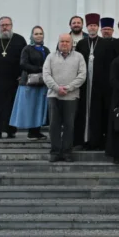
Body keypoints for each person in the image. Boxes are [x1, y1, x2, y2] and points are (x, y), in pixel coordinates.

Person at [43, 33, 87, 162]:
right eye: (62, 41)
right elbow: (46, 75)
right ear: (58, 42)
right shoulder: (50, 57)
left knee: (69, 125)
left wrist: (68, 88)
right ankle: (55, 152)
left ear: (72, 43)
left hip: (71, 97)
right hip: (53, 96)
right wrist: (57, 88)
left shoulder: (79, 57)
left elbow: (82, 75)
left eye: (67, 41)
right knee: (54, 125)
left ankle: (67, 152)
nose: (64, 44)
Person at [75, 13, 113, 150]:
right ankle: (82, 140)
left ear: (98, 27)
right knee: (82, 113)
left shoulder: (105, 44)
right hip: (84, 85)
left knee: (98, 113)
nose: (92, 28)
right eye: (90, 25)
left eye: (95, 25)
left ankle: (97, 141)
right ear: (87, 27)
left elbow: (109, 64)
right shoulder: (81, 43)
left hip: (100, 85)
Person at [10, 26, 50, 140]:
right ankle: (30, 130)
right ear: (32, 35)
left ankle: (36, 131)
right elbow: (23, 64)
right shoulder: (27, 49)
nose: (38, 36)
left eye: (40, 33)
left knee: (39, 107)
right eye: (36, 34)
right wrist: (39, 68)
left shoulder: (45, 50)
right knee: (30, 107)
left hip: (41, 83)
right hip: (29, 83)